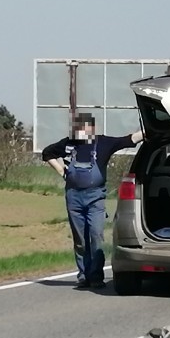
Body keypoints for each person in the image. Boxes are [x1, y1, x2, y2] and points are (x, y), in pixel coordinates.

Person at [42, 113, 144, 289]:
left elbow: (128, 140)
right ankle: (83, 275)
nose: (81, 132)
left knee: (96, 236)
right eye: (78, 129)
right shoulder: (68, 144)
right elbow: (47, 153)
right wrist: (61, 171)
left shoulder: (103, 142)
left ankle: (96, 276)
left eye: (84, 128)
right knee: (80, 239)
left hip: (95, 197)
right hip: (73, 197)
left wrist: (147, 130)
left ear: (91, 128)